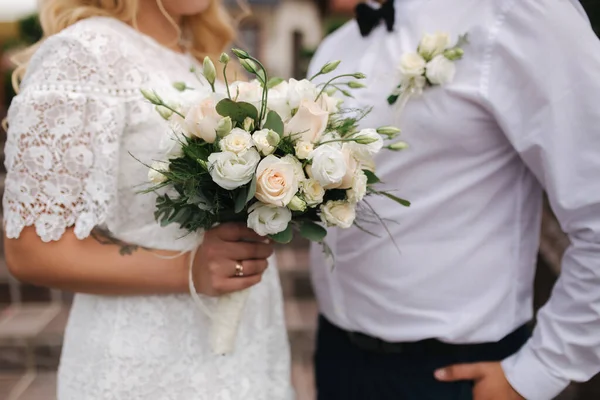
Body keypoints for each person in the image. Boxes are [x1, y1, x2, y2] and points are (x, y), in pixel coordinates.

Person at [308, 0, 600, 399]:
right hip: (336, 358)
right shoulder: (336, 46)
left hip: (457, 374)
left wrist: (539, 370)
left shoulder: (520, 13)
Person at [3, 1, 293, 399]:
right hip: (149, 360)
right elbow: (31, 250)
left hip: (248, 341)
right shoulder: (84, 53)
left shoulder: (202, 56)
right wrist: (189, 271)